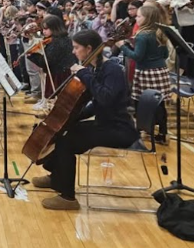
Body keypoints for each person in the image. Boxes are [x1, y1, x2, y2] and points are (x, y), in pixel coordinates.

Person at [32, 30, 139, 210]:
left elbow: (105, 98)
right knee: (63, 131)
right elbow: (96, 105)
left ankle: (68, 197)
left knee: (68, 142)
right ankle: (56, 178)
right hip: (105, 124)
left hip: (120, 130)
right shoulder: (97, 68)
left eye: (76, 48)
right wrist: (68, 117)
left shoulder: (111, 69)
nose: (74, 52)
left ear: (89, 48)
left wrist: (85, 74)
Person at [117, 5, 171, 144]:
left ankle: (145, 129)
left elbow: (137, 56)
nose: (136, 18)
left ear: (147, 19)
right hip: (161, 72)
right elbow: (165, 54)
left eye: (139, 16)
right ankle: (163, 133)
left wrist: (122, 46)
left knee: (143, 102)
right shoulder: (160, 32)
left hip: (146, 72)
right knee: (160, 103)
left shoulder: (142, 35)